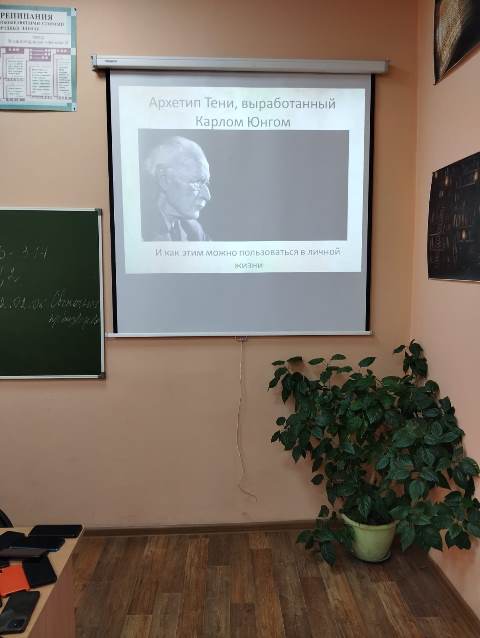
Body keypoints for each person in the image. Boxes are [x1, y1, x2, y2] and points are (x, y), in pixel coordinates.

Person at [142, 136, 212, 241]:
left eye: (206, 183)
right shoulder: (140, 231)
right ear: (164, 179)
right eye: (197, 182)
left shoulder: (195, 231)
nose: (207, 196)